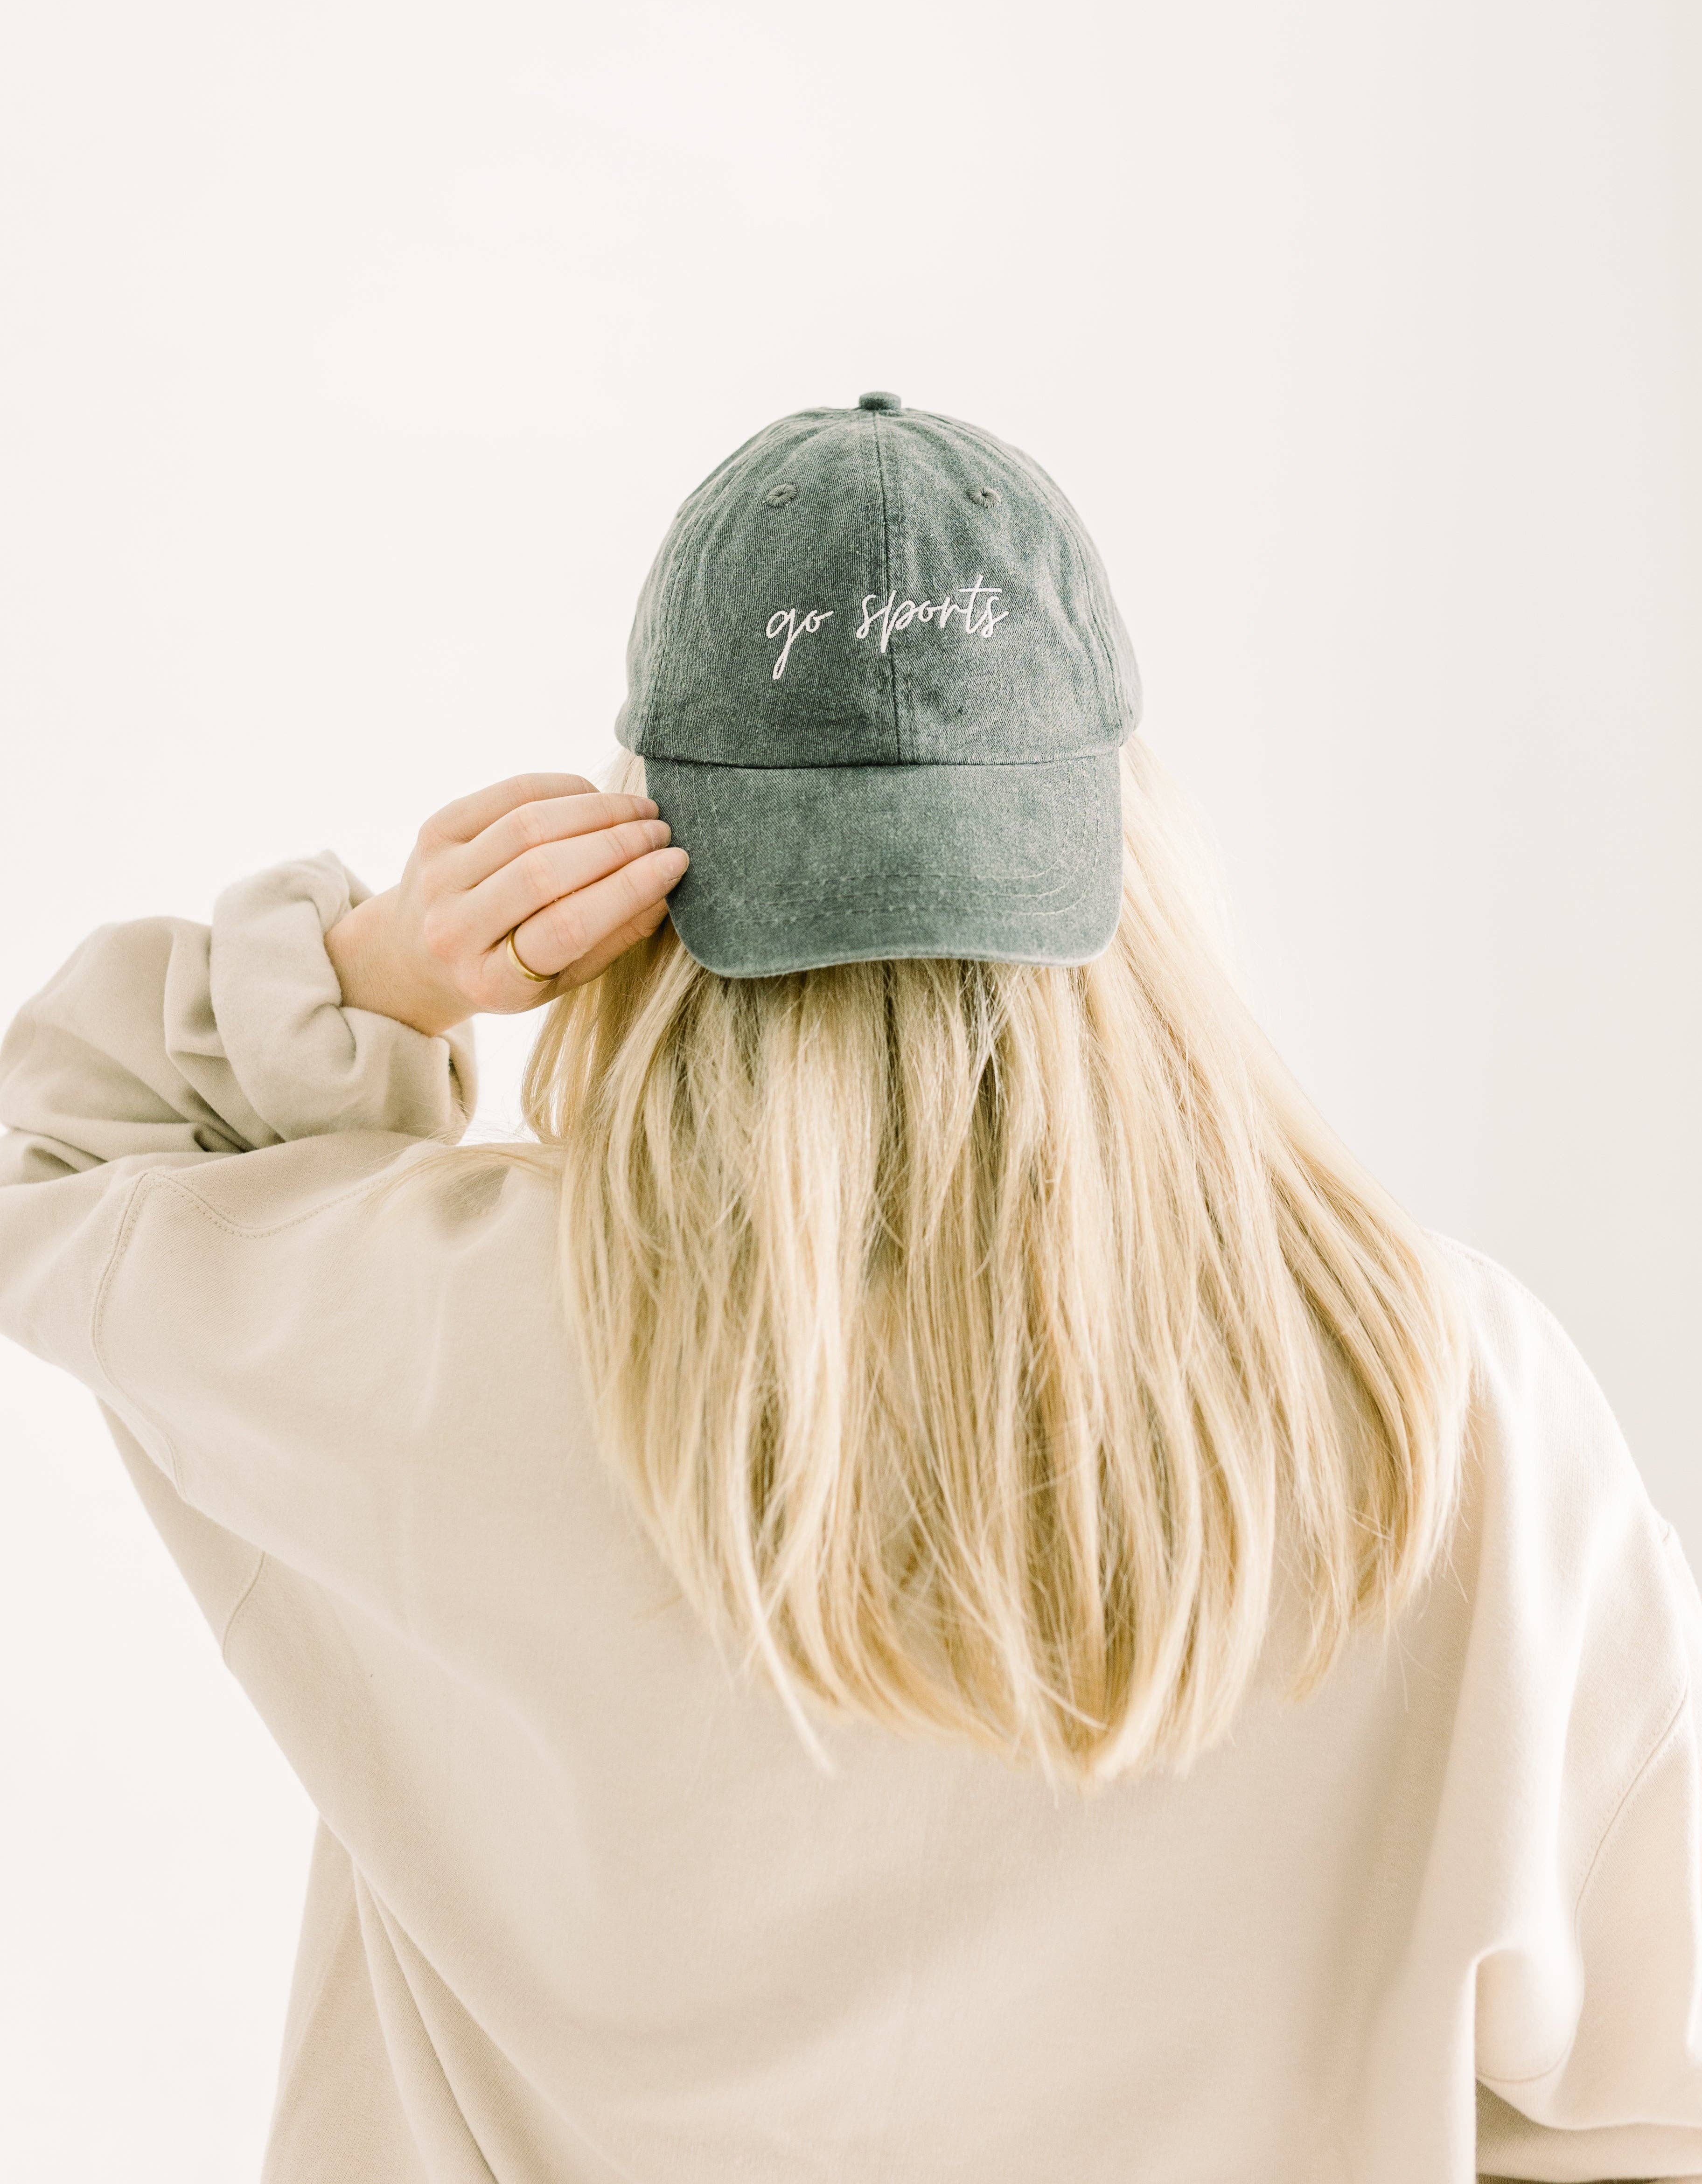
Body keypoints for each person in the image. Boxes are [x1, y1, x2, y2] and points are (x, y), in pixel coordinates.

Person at [1, 392, 1698, 2184]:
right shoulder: (1430, 1392)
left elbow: (53, 1156)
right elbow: (1655, 2100)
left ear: (636, 865)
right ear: (1131, 850)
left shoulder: (423, 1334)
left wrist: (374, 969)